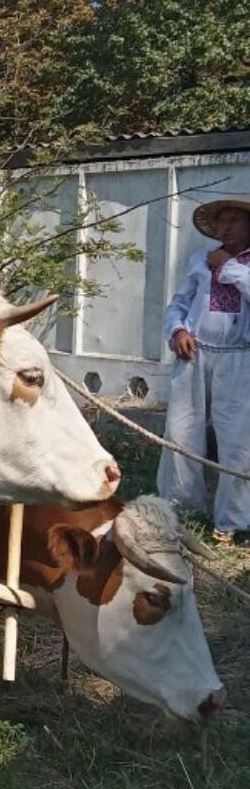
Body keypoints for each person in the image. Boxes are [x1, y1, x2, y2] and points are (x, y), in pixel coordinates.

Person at [157, 196, 250, 543]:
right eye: (221, 222)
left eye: (235, 221)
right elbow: (179, 303)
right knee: (181, 430)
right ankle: (180, 506)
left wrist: (228, 267)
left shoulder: (238, 263)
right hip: (194, 354)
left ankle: (233, 519)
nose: (226, 228)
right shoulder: (201, 260)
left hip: (241, 358)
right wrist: (177, 330)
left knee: (238, 438)